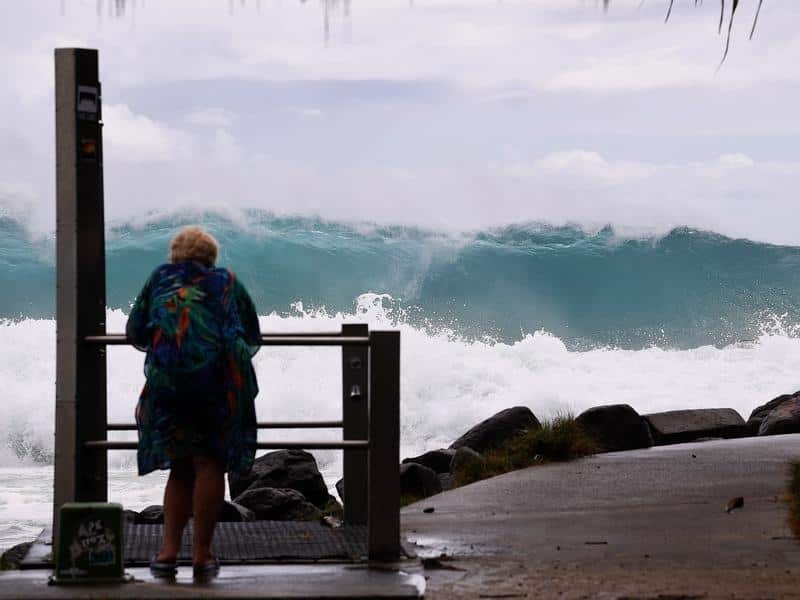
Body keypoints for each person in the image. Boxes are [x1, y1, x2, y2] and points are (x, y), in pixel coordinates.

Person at [126, 225, 260, 577]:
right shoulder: (227, 282)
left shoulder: (160, 279)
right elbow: (251, 332)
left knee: (181, 467)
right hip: (215, 388)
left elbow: (135, 331)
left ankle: (168, 551)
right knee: (210, 464)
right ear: (210, 256)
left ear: (175, 253)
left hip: (169, 390)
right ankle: (202, 554)